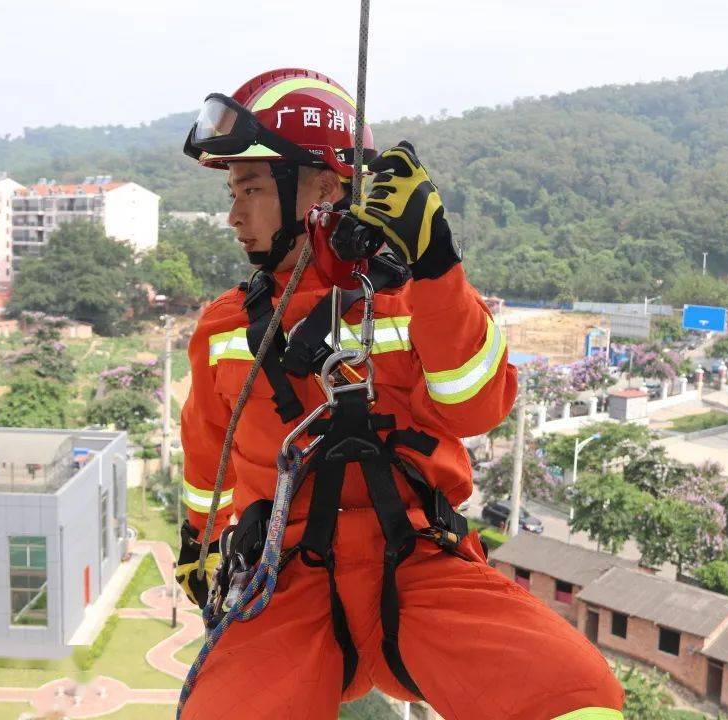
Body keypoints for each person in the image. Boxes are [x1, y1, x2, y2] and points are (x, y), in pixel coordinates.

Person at [176, 67, 624, 720]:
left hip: (420, 566)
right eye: (233, 191)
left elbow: (477, 405)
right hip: (288, 586)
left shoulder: (413, 302)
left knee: (575, 693)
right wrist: (198, 542)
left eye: (249, 187)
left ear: (323, 187)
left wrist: (437, 264)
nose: (233, 214)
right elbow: (204, 457)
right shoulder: (224, 327)